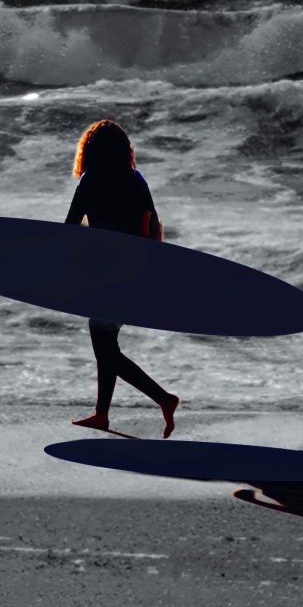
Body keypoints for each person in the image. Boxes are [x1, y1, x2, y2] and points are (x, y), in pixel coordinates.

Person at [63, 119, 179, 436]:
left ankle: (163, 398)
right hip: (133, 271)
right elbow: (152, 227)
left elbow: (70, 228)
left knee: (104, 347)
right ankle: (103, 414)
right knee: (106, 343)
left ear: (91, 150)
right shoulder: (135, 180)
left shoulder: (90, 181)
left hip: (104, 273)